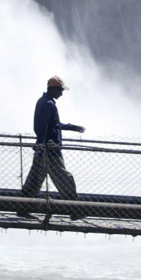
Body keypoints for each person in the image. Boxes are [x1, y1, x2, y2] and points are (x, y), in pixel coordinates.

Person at [20, 76, 85, 211]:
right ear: (53, 89)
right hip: (50, 149)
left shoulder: (43, 101)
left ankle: (23, 207)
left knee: (34, 180)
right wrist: (42, 146)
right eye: (60, 90)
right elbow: (44, 127)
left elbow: (54, 125)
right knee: (64, 178)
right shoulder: (49, 104)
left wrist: (73, 127)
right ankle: (74, 208)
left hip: (43, 149)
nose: (61, 93)